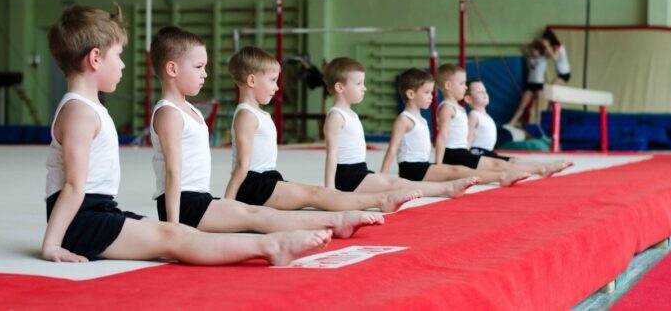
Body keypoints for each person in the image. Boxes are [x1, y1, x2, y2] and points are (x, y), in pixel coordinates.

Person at [43, 4, 330, 266]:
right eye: (118, 56)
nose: (123, 65)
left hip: (98, 213)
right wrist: (53, 244)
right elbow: (71, 186)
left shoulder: (88, 108)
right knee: (174, 238)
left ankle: (275, 241)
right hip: (81, 223)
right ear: (95, 58)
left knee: (170, 232)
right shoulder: (79, 113)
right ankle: (269, 246)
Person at [149, 27, 384, 239]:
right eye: (199, 67)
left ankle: (334, 221)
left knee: (259, 214)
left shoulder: (191, 111)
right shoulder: (169, 114)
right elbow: (173, 171)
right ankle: (335, 221)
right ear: (173, 68)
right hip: (184, 205)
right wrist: (173, 227)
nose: (205, 74)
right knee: (259, 217)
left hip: (199, 199)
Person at [225, 46, 421, 213]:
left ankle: (373, 203)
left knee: (315, 195)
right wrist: (228, 203)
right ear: (251, 81)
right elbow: (242, 165)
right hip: (253, 185)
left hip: (266, 179)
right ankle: (380, 200)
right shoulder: (246, 115)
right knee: (317, 195)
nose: (277, 87)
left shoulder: (259, 114)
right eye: (273, 80)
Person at [323, 58, 478, 198]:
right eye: (359, 84)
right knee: (397, 185)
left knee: (395, 182)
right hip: (347, 176)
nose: (364, 88)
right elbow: (332, 154)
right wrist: (330, 188)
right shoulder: (336, 116)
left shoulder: (351, 114)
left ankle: (446, 188)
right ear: (340, 87)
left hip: (359, 171)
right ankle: (446, 189)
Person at [379, 68, 528, 187]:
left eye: (431, 92)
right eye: (427, 93)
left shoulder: (421, 120)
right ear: (411, 94)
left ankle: (501, 176)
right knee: (457, 171)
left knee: (458, 171)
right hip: (411, 169)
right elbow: (392, 149)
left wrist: (436, 164)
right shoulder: (404, 119)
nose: (431, 96)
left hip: (423, 166)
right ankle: (501, 177)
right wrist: (384, 178)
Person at [435, 63, 571, 177]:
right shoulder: (451, 109)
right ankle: (540, 170)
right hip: (460, 152)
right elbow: (445, 137)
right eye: (462, 83)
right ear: (448, 86)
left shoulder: (460, 109)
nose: (464, 87)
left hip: (464, 152)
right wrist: (438, 165)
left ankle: (542, 166)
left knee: (508, 161)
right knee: (497, 165)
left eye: (465, 84)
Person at [466, 79, 571, 173]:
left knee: (515, 160)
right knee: (504, 165)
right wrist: (464, 156)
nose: (484, 94)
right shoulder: (473, 115)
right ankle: (541, 169)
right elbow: (468, 137)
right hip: (477, 152)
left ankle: (544, 165)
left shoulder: (487, 116)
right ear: (469, 99)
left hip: (488, 152)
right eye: (479, 91)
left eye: (485, 91)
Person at [506, 40, 547, 126]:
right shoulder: (530, 58)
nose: (533, 52)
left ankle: (538, 124)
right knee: (522, 106)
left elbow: (550, 53)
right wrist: (530, 47)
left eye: (535, 51)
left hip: (539, 85)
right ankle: (512, 123)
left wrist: (545, 45)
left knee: (538, 108)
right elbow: (523, 49)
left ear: (540, 51)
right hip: (530, 85)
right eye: (532, 51)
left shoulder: (543, 59)